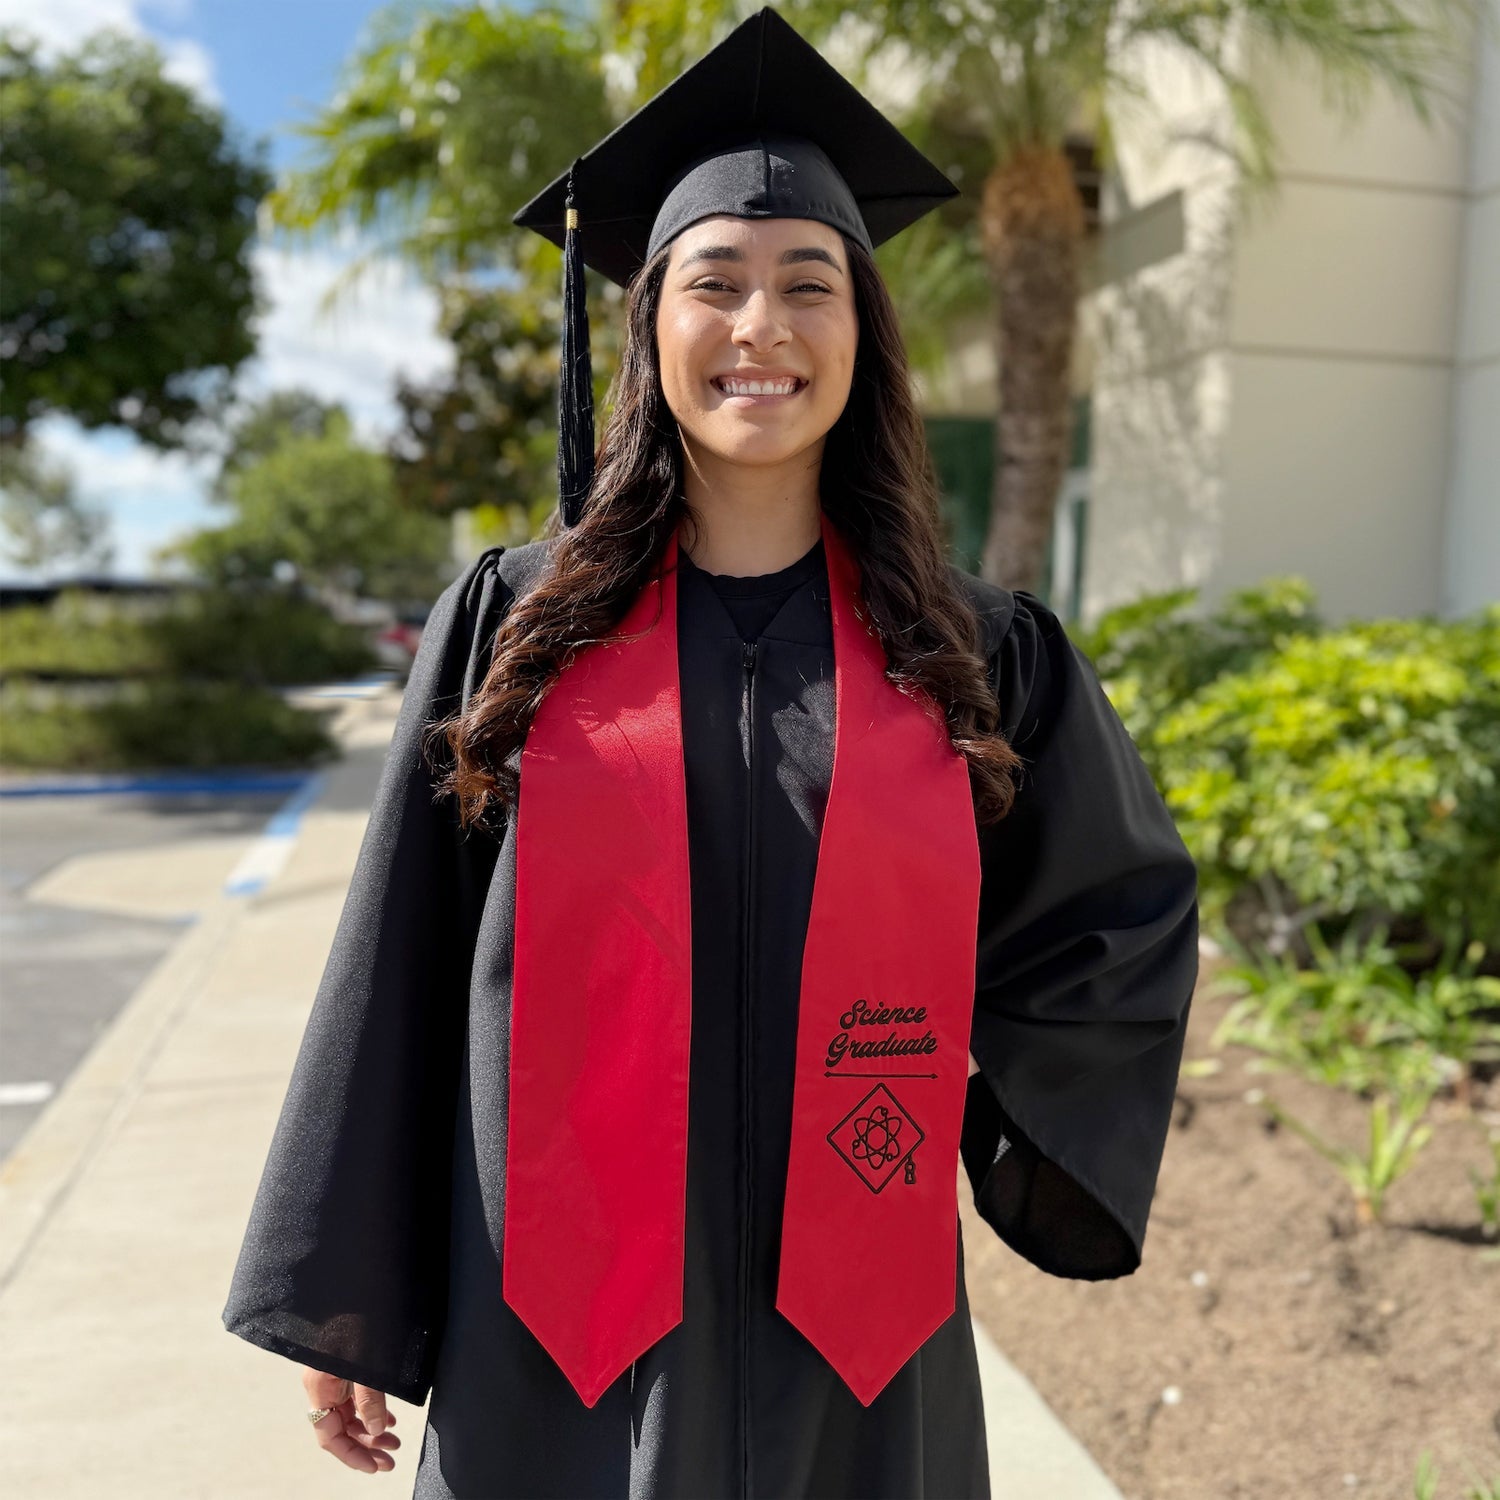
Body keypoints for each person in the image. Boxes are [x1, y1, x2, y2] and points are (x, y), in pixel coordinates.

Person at [221, 8, 1200, 1497]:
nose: (762, 328)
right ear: (649, 325)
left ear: (863, 334)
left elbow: (1112, 922)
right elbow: (402, 968)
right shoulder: (516, 625)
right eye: (715, 284)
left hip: (853, 1339)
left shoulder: (977, 654)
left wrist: (957, 1093)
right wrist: (351, 1292)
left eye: (810, 285)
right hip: (552, 1332)